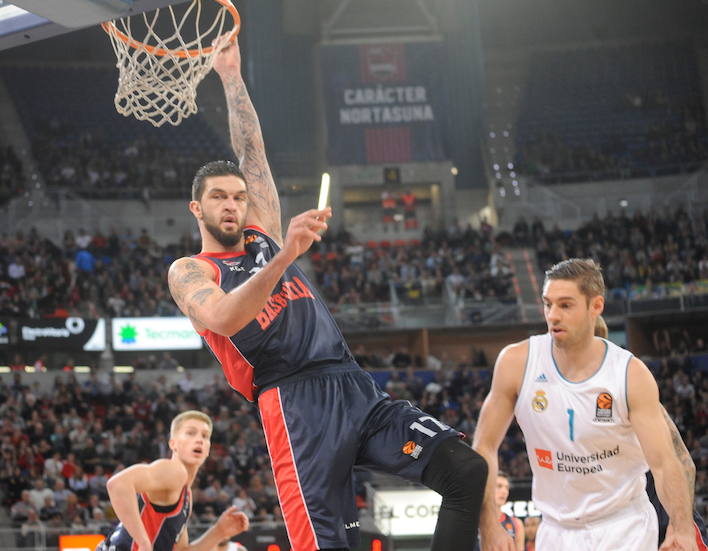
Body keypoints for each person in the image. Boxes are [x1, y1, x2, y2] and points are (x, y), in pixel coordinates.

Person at [167, 37, 487, 551]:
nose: (232, 205)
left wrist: (230, 76)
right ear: (196, 209)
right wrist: (286, 256)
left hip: (352, 382)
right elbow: (224, 318)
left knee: (466, 470)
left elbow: (252, 152)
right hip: (293, 403)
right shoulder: (191, 269)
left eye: (238, 198)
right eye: (218, 198)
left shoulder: (262, 235)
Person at [473, 258, 697, 551]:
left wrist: (681, 527)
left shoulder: (630, 374)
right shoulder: (516, 363)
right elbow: (484, 447)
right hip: (554, 529)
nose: (553, 315)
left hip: (623, 526)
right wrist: (488, 522)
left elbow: (667, 462)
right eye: (547, 304)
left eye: (565, 305)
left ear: (596, 306)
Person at [594, 318, 708, 550]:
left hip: (663, 516)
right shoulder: (562, 401)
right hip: (613, 525)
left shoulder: (626, 392)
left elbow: (683, 461)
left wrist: (680, 523)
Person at [96, 410, 249, 551]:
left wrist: (218, 532)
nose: (199, 440)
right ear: (173, 443)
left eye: (204, 436)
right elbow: (117, 484)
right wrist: (143, 542)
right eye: (190, 433)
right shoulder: (174, 471)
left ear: (209, 449)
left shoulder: (186, 495)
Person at [473, 473, 524, 551]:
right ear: (487, 488)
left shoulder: (516, 524)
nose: (504, 491)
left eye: (507, 488)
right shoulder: (472, 521)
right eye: (499, 486)